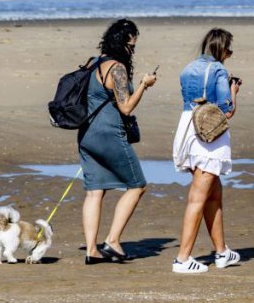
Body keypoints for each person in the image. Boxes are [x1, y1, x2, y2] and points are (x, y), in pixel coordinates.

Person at [78, 19, 157, 265]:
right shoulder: (117, 69)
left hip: (86, 134)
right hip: (109, 134)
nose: (133, 50)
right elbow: (126, 107)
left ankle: (91, 249)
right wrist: (144, 84)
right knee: (137, 185)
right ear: (123, 43)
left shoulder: (93, 63)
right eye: (132, 46)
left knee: (94, 192)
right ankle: (112, 241)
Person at [170, 28, 241, 274]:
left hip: (188, 126)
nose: (229, 55)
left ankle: (222, 253)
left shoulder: (188, 68)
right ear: (222, 48)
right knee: (198, 198)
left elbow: (188, 99)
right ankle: (182, 258)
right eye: (229, 50)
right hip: (209, 133)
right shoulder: (219, 70)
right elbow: (226, 109)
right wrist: (234, 92)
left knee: (213, 195)